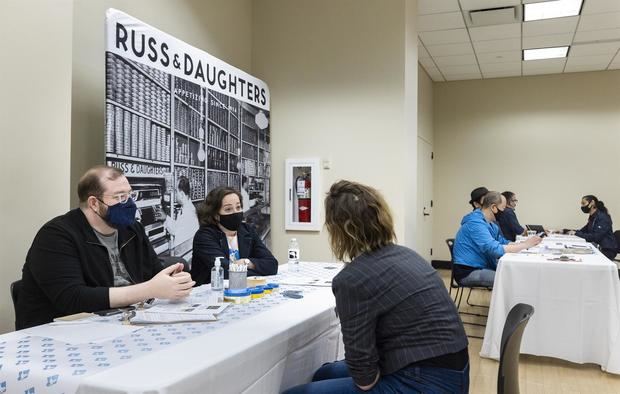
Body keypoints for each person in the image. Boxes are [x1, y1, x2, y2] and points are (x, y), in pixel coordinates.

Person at [284, 180, 470, 394]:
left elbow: (365, 379)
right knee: (324, 374)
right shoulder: (408, 255)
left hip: (425, 381)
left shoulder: (352, 279)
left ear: (340, 230)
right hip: (454, 370)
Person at [16, 165, 195, 329]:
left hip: (119, 323)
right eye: (120, 197)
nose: (129, 203)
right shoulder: (56, 235)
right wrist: (150, 289)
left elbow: (153, 272)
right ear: (94, 203)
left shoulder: (132, 229)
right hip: (60, 332)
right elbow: (73, 298)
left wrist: (173, 281)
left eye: (130, 195)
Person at [191, 186, 278, 285]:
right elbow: (226, 273)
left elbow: (272, 265)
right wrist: (259, 271)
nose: (235, 213)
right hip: (209, 293)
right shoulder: (204, 236)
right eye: (228, 209)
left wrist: (246, 262)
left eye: (238, 207)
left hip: (242, 289)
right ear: (215, 215)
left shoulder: (246, 230)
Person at [453, 191, 541, 288]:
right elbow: (493, 249)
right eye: (503, 208)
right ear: (493, 207)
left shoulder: (491, 224)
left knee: (516, 275)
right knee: (509, 280)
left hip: (482, 266)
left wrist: (524, 243)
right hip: (468, 271)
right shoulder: (475, 223)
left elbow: (502, 242)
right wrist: (525, 245)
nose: (505, 211)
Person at [570, 195, 617, 260]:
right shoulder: (592, 217)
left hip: (606, 250)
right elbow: (582, 231)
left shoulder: (602, 217)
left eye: (583, 203)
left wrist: (575, 233)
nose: (582, 206)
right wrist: (566, 231)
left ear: (592, 203)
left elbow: (595, 237)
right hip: (596, 247)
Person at [164, 176, 199, 247]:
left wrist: (165, 218)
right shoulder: (186, 208)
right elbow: (178, 228)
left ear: (182, 194)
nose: (174, 194)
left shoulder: (189, 213)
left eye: (176, 191)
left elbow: (176, 233)